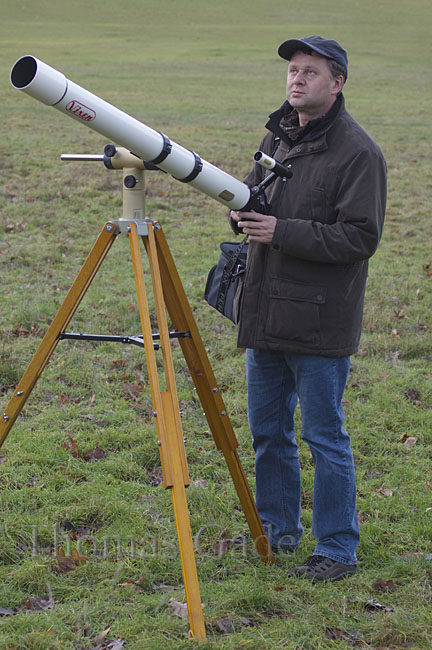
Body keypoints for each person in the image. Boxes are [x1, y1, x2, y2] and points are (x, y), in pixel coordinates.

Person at [229, 36, 387, 581]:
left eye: (310, 72)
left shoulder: (359, 153)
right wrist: (239, 213)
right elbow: (253, 194)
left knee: (324, 437)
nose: (297, 79)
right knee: (269, 433)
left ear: (337, 83)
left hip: (320, 320)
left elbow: (361, 237)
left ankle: (338, 549)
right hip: (266, 311)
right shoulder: (278, 135)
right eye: (293, 71)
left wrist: (280, 231)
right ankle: (276, 530)